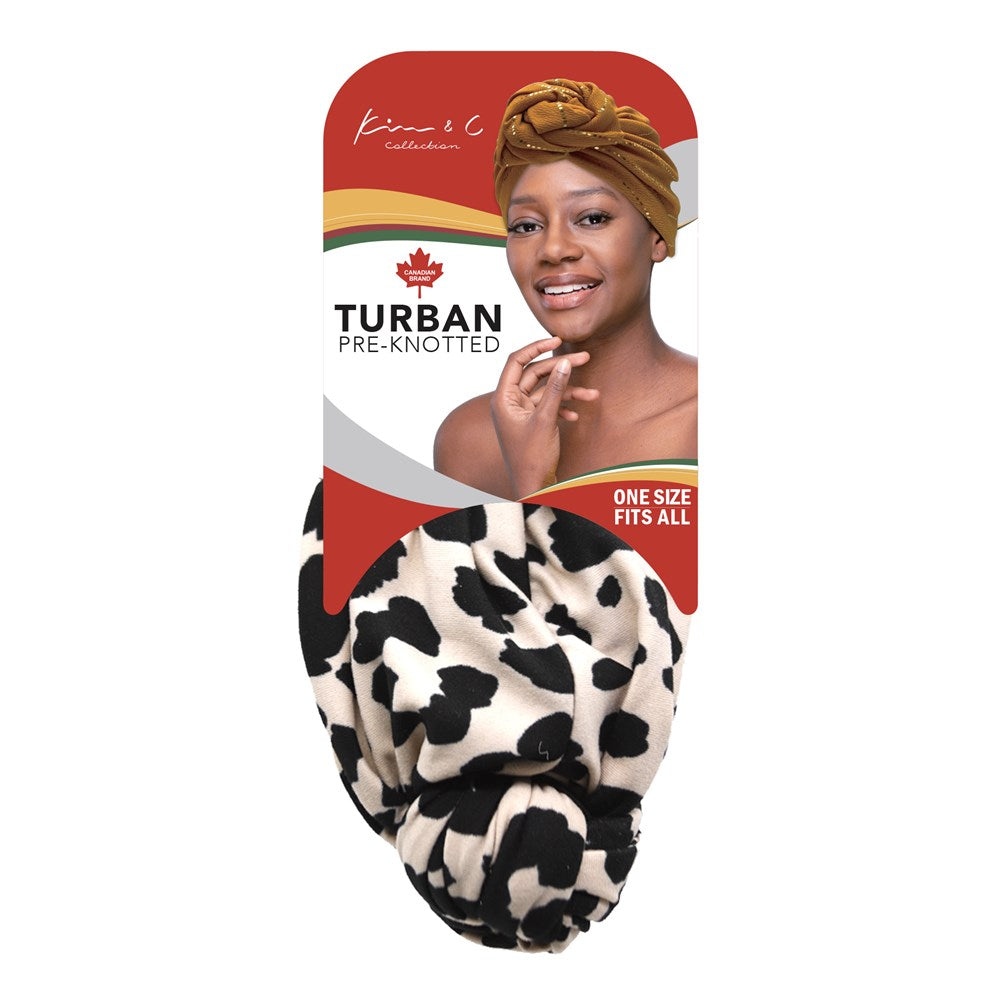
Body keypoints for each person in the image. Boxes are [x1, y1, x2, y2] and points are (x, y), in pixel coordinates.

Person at [434, 79, 697, 501]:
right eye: (526, 226)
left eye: (592, 218)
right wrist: (529, 474)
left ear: (657, 238)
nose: (553, 249)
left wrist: (536, 487)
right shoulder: (472, 440)